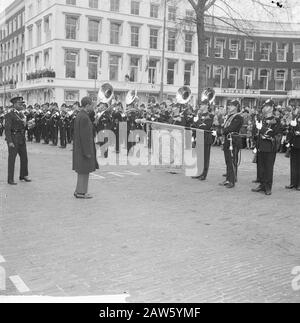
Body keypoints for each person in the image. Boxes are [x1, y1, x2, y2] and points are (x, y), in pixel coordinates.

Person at [252, 100, 282, 196]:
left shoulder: (276, 120)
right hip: (261, 145)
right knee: (261, 167)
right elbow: (255, 131)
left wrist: (262, 129)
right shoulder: (262, 119)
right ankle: (262, 184)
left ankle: (268, 187)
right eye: (264, 106)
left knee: (268, 168)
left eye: (267, 106)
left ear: (272, 108)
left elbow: (274, 132)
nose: (264, 108)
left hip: (270, 147)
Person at [72, 97, 98, 199]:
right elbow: (85, 136)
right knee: (84, 171)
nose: (92, 106)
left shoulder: (81, 115)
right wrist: (87, 152)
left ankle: (78, 190)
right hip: (84, 149)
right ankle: (81, 193)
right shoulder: (84, 117)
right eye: (91, 105)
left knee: (82, 171)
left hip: (80, 148)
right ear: (87, 105)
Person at [4, 96, 31, 185]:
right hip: (14, 138)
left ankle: (23, 175)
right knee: (12, 159)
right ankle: (10, 179)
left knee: (24, 158)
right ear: (15, 104)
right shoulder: (9, 115)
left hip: (21, 138)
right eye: (20, 104)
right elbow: (7, 129)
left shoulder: (21, 114)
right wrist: (9, 141)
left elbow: (24, 126)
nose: (22, 105)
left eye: (22, 103)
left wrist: (29, 125)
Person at [219, 100, 244, 189]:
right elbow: (224, 126)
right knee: (228, 161)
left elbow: (231, 128)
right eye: (229, 105)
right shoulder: (229, 116)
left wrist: (222, 131)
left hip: (233, 141)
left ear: (236, 107)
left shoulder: (238, 117)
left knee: (232, 161)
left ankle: (232, 181)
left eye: (232, 106)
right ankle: (228, 179)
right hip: (227, 140)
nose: (230, 107)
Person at [285, 107, 300, 191]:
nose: (296, 111)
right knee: (293, 165)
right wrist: (288, 141)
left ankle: (299, 184)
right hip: (294, 144)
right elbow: (290, 130)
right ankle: (293, 183)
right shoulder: (295, 118)